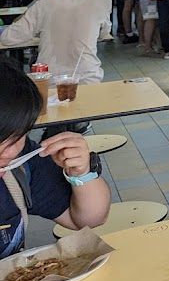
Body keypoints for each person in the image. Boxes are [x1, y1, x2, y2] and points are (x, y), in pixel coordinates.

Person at [0, 59, 110, 259]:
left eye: (16, 137)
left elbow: (87, 219)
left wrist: (81, 173)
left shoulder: (20, 165)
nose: (8, 152)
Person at [0, 0, 111, 83]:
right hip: (88, 78)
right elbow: (104, 33)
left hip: (49, 80)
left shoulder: (44, 3)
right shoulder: (103, 2)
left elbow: (8, 38)